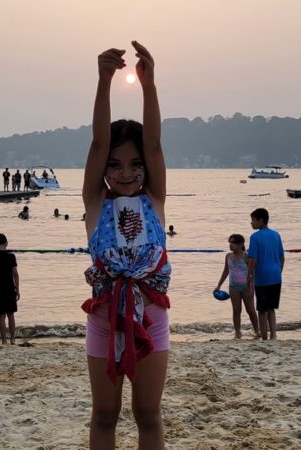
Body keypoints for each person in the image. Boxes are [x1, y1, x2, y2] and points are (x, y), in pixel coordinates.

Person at [82, 41, 171, 449]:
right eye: (115, 165)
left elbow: (153, 144)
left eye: (134, 165)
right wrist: (104, 82)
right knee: (104, 415)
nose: (125, 172)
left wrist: (149, 87)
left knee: (147, 415)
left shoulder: (154, 200)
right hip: (103, 318)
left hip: (151, 317)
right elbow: (98, 144)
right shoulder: (95, 205)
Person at [247, 208, 284, 341]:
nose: (251, 223)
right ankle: (273, 335)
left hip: (262, 277)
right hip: (275, 275)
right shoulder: (276, 235)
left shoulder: (255, 237)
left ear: (260, 220)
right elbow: (281, 257)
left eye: (253, 220)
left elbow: (253, 260)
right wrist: (279, 271)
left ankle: (264, 337)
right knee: (271, 308)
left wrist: (249, 276)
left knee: (262, 310)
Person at [215, 234, 259, 339]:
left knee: (250, 310)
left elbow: (253, 272)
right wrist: (219, 285)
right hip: (233, 286)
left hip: (246, 286)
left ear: (241, 244)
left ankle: (257, 330)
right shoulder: (228, 256)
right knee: (236, 310)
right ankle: (237, 332)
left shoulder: (246, 256)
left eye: (233, 243)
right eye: (230, 242)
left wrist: (252, 287)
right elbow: (226, 271)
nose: (231, 245)